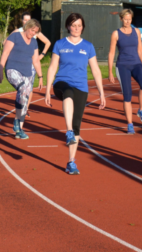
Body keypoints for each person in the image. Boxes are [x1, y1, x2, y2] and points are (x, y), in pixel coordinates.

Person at [45, 13, 106, 174]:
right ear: (68, 27)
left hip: (81, 87)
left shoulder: (88, 46)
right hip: (61, 83)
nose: (76, 28)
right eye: (73, 25)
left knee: (77, 124)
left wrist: (101, 92)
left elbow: (96, 71)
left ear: (83, 27)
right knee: (68, 92)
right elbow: (52, 67)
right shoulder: (59, 44)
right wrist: (47, 89)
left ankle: (71, 162)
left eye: (79, 25)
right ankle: (68, 130)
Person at [0, 19, 43, 140]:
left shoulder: (33, 42)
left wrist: (40, 76)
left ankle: (19, 127)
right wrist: (0, 70)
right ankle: (17, 124)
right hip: (12, 70)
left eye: (36, 32)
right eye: (32, 30)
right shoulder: (15, 36)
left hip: (27, 73)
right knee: (23, 87)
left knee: (25, 97)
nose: (33, 33)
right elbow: (5, 53)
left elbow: (36, 60)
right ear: (27, 27)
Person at [108, 9, 142, 134]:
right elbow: (111, 53)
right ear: (121, 19)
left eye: (129, 19)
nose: (127, 21)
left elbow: (141, 50)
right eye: (125, 19)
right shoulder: (116, 34)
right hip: (123, 66)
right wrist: (110, 71)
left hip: (137, 64)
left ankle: (141, 110)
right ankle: (130, 124)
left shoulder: (136, 31)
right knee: (128, 95)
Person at [12, 12, 51, 117]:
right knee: (21, 87)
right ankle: (20, 106)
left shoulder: (35, 32)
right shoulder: (18, 32)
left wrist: (41, 55)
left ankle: (25, 109)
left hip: (31, 64)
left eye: (29, 20)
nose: (27, 22)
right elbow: (6, 43)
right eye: (25, 20)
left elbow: (48, 42)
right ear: (22, 21)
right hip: (19, 64)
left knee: (29, 87)